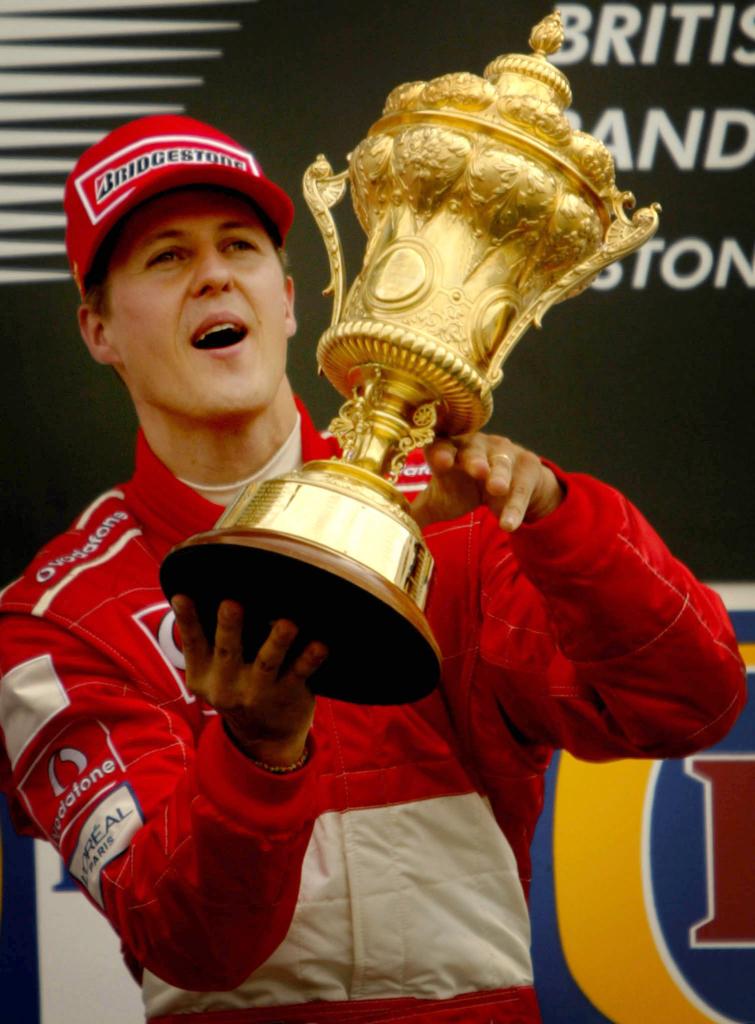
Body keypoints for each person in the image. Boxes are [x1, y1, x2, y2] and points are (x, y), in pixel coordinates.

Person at [0, 114, 745, 1024]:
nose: (213, 274)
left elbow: (690, 703)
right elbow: (188, 941)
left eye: (239, 244)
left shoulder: (454, 519)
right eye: (164, 257)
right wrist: (256, 753)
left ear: (287, 297)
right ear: (98, 329)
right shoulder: (58, 618)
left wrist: (558, 518)